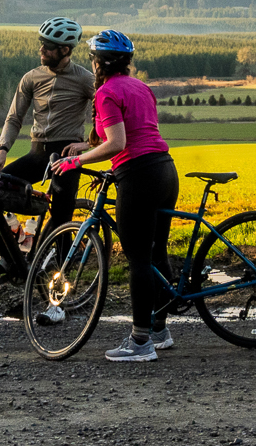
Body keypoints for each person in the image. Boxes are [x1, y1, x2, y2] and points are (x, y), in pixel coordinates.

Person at [50, 30, 178, 363]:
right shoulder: (141, 88)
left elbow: (118, 143)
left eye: (92, 59)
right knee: (156, 252)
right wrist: (88, 146)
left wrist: (75, 161)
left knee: (138, 259)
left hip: (138, 175)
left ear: (99, 62)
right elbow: (135, 133)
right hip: (165, 171)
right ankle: (160, 332)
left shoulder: (106, 93)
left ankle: (140, 342)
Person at [0, 16, 94, 284]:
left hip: (66, 156)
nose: (42, 50)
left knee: (62, 221)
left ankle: (60, 293)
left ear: (65, 50)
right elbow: (14, 117)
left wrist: (88, 145)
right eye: (41, 43)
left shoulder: (85, 79)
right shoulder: (31, 77)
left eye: (48, 46)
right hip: (37, 153)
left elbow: (106, 116)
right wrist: (2, 149)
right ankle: (11, 258)